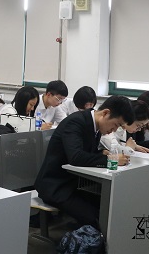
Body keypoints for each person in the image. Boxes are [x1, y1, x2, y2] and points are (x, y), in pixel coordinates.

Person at [35, 95, 134, 230]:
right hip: (55, 185)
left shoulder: (95, 124)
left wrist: (101, 153)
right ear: (105, 113)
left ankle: (85, 233)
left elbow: (84, 151)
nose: (114, 130)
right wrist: (111, 160)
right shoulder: (75, 122)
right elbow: (76, 157)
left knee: (110, 207)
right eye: (116, 125)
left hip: (74, 184)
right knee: (96, 217)